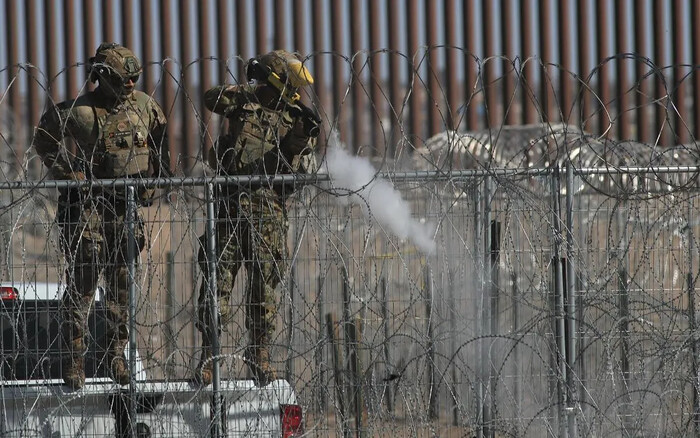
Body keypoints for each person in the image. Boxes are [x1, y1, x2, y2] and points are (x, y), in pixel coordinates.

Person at [33, 43, 170, 389]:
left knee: (122, 288)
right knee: (83, 282)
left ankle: (115, 357)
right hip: (90, 210)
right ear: (104, 77)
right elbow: (44, 136)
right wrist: (69, 175)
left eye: (133, 81)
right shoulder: (81, 112)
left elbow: (161, 137)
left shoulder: (143, 106)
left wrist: (156, 181)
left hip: (126, 209)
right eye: (124, 81)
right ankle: (75, 360)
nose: (130, 87)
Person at [195, 50, 319, 386]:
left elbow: (300, 170)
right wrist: (249, 89)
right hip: (230, 209)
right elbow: (210, 98)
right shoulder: (243, 103)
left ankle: (259, 355)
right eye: (288, 85)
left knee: (264, 292)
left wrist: (299, 139)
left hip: (269, 212)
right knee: (216, 286)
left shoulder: (297, 119)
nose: (294, 94)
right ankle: (208, 356)